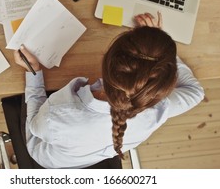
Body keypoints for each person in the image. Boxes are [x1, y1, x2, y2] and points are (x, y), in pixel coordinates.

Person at [14, 12, 204, 168]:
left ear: (107, 60)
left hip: (47, 157)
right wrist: (160, 52)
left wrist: (34, 72)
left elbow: (34, 127)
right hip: (90, 155)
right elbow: (196, 93)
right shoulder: (159, 111)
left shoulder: (56, 115)